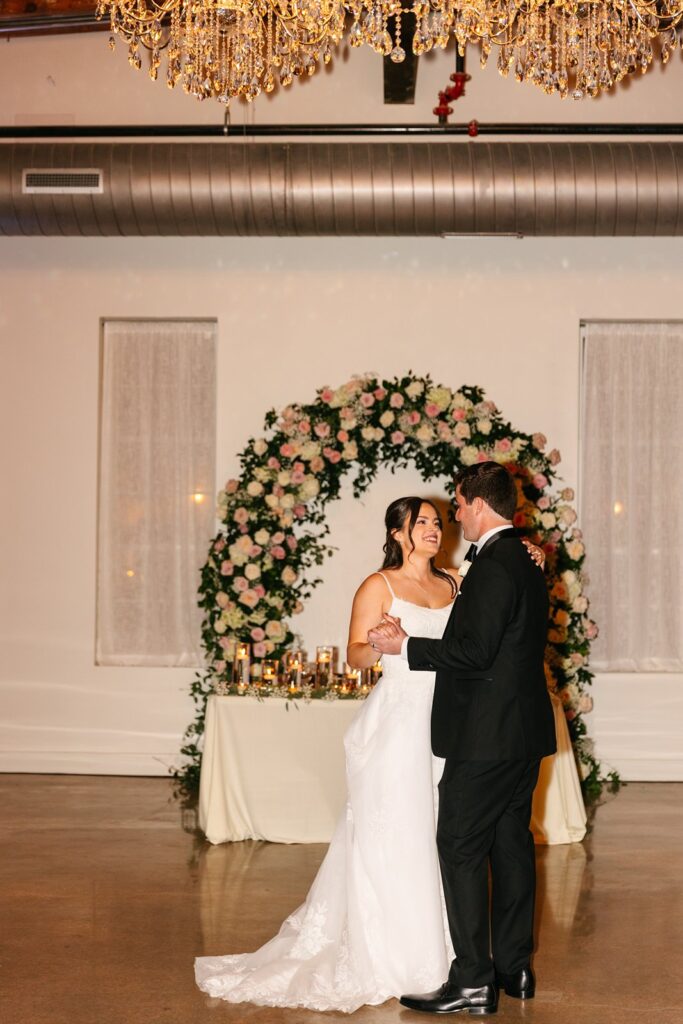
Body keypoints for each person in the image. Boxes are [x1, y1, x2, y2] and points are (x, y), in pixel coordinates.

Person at [194, 496, 457, 1011]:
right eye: (421, 522)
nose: (432, 528)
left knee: (441, 830)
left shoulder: (453, 583)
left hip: (448, 718)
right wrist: (381, 643)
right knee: (397, 831)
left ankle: (445, 950)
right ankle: (393, 953)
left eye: (436, 521)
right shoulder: (377, 586)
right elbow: (355, 653)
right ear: (399, 534)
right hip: (399, 722)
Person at [369, 462, 556, 1017]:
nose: (455, 517)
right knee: (511, 846)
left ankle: (473, 979)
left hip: (485, 737)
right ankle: (514, 968)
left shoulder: (500, 564)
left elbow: (474, 653)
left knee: (459, 844)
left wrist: (406, 645)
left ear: (476, 503)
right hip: (520, 734)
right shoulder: (522, 557)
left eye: (457, 506)